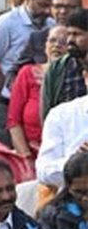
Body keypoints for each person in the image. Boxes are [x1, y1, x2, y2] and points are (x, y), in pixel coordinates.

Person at [0, 0, 56, 90]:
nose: (47, 11)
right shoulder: (3, 25)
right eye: (41, 5)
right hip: (6, 100)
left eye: (51, 6)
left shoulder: (52, 25)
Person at [8, 25, 69, 160]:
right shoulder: (27, 73)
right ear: (45, 45)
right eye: (52, 41)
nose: (57, 45)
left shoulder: (74, 79)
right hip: (32, 156)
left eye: (63, 42)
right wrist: (26, 157)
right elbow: (14, 121)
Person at [36, 57, 88, 192]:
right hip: (73, 206)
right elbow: (43, 172)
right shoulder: (61, 115)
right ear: (85, 77)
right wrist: (76, 161)